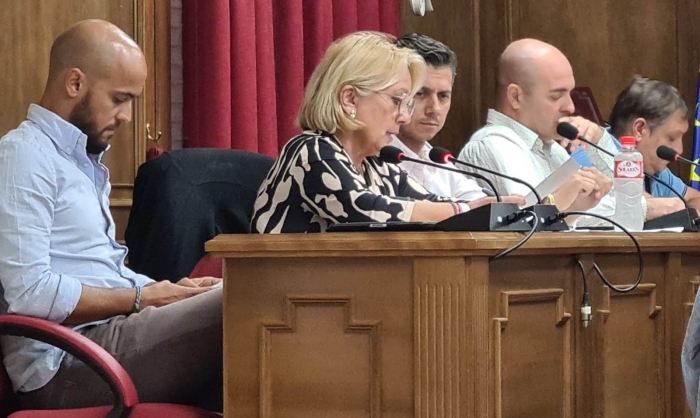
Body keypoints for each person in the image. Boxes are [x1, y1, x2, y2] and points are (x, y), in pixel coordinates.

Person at [0, 20, 222, 412]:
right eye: (120, 99)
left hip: (104, 339)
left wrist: (174, 291)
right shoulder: (24, 155)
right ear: (75, 83)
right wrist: (143, 298)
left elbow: (102, 274)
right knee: (246, 301)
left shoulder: (81, 162)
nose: (127, 116)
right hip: (65, 363)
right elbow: (30, 293)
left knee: (246, 308)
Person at [251, 31, 524, 233]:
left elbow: (432, 202)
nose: (403, 116)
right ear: (350, 99)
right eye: (397, 101)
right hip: (284, 292)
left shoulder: (376, 165)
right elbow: (368, 209)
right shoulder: (312, 152)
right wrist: (466, 209)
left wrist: (490, 208)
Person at [458, 38, 615, 224]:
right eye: (556, 96)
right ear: (515, 97)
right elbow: (530, 221)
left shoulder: (553, 147)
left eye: (570, 94)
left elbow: (614, 210)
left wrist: (597, 140)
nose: (571, 107)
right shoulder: (494, 145)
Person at [391, 33, 486, 201]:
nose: (434, 109)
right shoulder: (373, 160)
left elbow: (484, 205)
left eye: (443, 96)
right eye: (420, 93)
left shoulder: (438, 161)